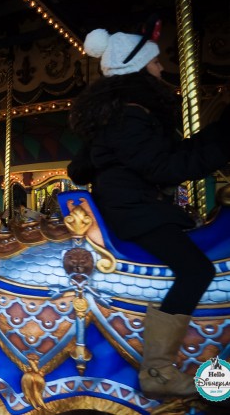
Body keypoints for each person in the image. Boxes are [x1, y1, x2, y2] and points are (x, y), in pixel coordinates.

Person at [67, 27, 230, 399]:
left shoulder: (123, 115)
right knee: (196, 269)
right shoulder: (130, 115)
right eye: (155, 61)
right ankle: (158, 368)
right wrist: (220, 145)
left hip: (135, 206)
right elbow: (163, 167)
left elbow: (170, 153)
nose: (161, 69)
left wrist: (220, 133)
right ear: (138, 66)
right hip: (134, 211)